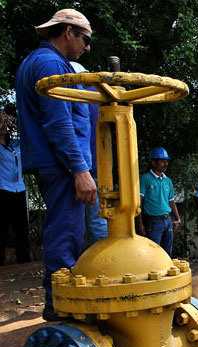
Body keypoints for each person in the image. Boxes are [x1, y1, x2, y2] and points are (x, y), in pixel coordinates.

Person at [15, 9, 97, 321]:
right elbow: (59, 122)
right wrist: (80, 170)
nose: (87, 47)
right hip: (61, 164)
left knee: (65, 230)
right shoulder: (51, 64)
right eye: (85, 39)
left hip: (51, 161)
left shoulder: (34, 62)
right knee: (66, 233)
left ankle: (60, 299)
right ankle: (61, 304)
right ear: (68, 33)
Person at [70, 61, 107, 248]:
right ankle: (103, 263)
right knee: (97, 218)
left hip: (80, 167)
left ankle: (85, 262)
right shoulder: (100, 97)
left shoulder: (75, 97)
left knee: (77, 220)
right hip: (98, 167)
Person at [0, 103, 31, 265]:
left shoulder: (15, 145)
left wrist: (14, 121)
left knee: (22, 231)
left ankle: (24, 264)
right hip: (2, 190)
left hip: (19, 189)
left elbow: (27, 134)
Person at [136, 147, 180, 256]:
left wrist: (177, 218)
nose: (165, 164)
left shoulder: (167, 181)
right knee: (154, 252)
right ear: (153, 162)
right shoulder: (145, 179)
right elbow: (138, 202)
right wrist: (139, 223)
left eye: (166, 161)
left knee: (167, 252)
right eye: (162, 161)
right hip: (153, 221)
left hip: (167, 220)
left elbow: (171, 201)